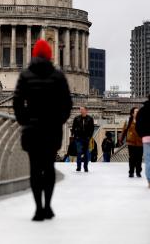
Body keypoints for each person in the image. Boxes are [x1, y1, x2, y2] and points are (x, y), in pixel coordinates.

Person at [13, 39, 72, 221]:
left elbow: (17, 102)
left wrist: (24, 120)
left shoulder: (25, 75)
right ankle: (48, 206)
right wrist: (59, 120)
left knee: (35, 169)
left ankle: (38, 208)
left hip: (31, 130)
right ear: (50, 55)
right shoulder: (58, 76)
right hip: (51, 129)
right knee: (49, 168)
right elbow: (67, 104)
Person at [120, 107, 143, 177]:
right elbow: (124, 131)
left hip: (140, 142)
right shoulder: (128, 121)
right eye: (136, 111)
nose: (137, 112)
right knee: (132, 158)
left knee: (139, 158)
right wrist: (121, 140)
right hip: (131, 142)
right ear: (132, 113)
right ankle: (131, 172)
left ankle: (138, 171)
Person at [71, 106, 95, 172]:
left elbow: (92, 129)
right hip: (78, 138)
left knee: (86, 153)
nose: (80, 110)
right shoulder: (76, 118)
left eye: (82, 109)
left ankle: (85, 167)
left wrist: (89, 136)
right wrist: (74, 136)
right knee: (79, 152)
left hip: (86, 138)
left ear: (86, 110)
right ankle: (78, 167)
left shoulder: (90, 119)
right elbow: (73, 127)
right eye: (80, 109)